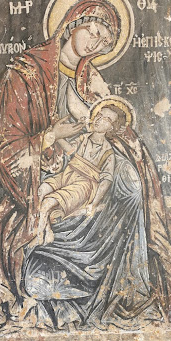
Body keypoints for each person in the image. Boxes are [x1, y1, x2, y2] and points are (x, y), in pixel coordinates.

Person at [0, 0, 171, 333]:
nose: (95, 43)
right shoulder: (25, 73)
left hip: (88, 175)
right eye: (93, 31)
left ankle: (125, 291)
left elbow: (110, 125)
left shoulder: (90, 79)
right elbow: (7, 148)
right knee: (52, 222)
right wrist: (50, 137)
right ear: (71, 25)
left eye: (104, 41)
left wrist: (119, 148)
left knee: (130, 187)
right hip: (44, 173)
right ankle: (59, 295)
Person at [37, 101, 126, 239]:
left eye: (106, 119)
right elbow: (70, 150)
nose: (99, 119)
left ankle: (38, 237)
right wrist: (55, 134)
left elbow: (106, 180)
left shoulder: (108, 152)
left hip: (85, 184)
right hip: (68, 175)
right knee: (41, 191)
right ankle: (47, 230)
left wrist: (93, 204)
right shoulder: (83, 138)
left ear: (111, 127)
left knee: (47, 203)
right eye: (99, 115)